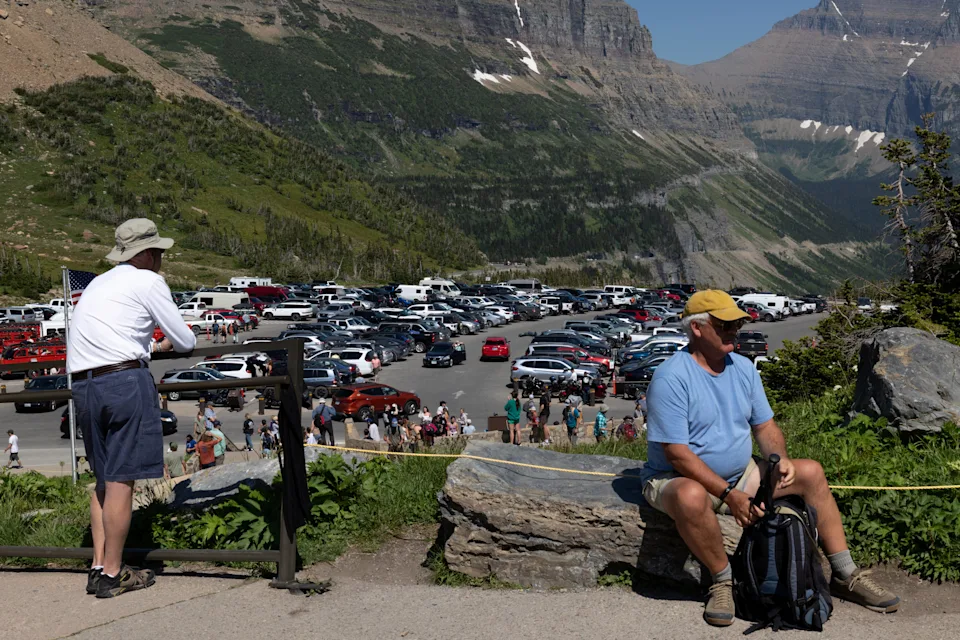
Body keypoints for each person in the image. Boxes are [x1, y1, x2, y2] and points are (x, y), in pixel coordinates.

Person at [642, 290, 899, 627]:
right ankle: (722, 581)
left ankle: (845, 572)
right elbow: (677, 454)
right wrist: (728, 495)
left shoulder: (743, 369)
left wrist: (780, 459)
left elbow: (764, 426)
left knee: (811, 473)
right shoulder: (671, 377)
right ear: (698, 329)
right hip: (678, 479)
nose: (734, 330)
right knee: (690, 496)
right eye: (725, 325)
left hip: (739, 474)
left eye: (737, 323)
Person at [67, 218, 196, 598]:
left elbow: (113, 337)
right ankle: (113, 573)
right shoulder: (148, 280)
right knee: (123, 480)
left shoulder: (98, 283)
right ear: (147, 253)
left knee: (104, 479)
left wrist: (149, 348)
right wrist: (164, 347)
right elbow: (185, 340)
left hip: (86, 385)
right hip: (125, 382)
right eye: (158, 252)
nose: (160, 259)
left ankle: (97, 566)